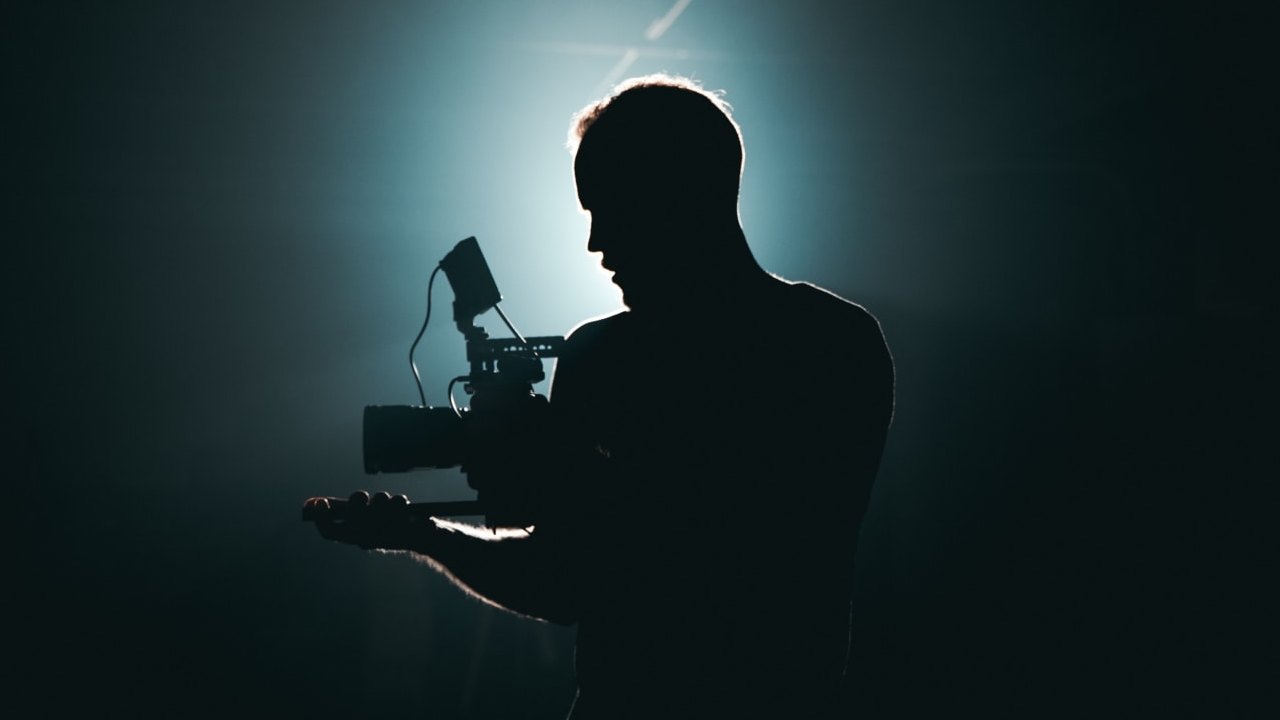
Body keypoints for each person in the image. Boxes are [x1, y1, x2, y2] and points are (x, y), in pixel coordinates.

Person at [306, 75, 894, 720]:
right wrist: (424, 535)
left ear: (681, 194)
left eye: (608, 208)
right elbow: (564, 579)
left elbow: (754, 549)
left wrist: (564, 461)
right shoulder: (612, 354)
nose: (595, 244)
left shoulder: (827, 346)